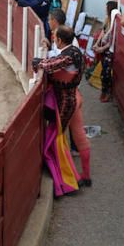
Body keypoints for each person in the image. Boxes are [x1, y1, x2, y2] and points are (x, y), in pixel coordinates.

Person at [33, 26, 91, 187]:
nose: (53, 39)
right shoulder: (74, 50)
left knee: (56, 136)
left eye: (54, 37)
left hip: (66, 101)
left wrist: (37, 62)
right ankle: (86, 175)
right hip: (75, 96)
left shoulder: (68, 55)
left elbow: (51, 65)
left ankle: (68, 178)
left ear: (59, 40)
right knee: (79, 136)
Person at [91, 1, 119, 103]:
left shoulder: (116, 22)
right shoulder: (108, 19)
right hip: (104, 47)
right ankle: (104, 91)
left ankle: (108, 92)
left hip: (109, 50)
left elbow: (114, 40)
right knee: (104, 71)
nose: (105, 9)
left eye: (106, 8)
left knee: (106, 73)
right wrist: (97, 44)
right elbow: (103, 31)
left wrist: (102, 48)